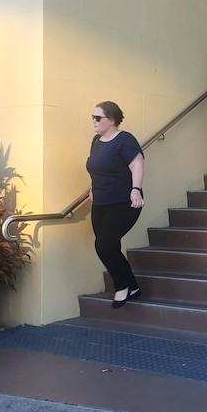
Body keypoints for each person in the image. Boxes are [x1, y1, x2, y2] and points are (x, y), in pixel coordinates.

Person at [86, 101, 145, 309]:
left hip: (124, 202)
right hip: (100, 202)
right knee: (109, 246)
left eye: (98, 118)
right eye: (92, 117)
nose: (93, 121)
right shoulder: (96, 141)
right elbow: (96, 168)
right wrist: (92, 189)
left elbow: (137, 164)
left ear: (111, 120)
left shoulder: (124, 140)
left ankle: (122, 286)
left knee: (103, 245)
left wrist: (136, 189)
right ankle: (133, 286)